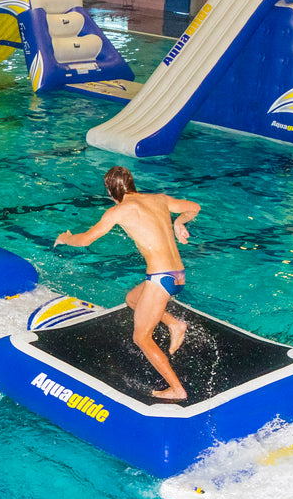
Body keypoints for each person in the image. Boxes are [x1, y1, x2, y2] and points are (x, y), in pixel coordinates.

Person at [55, 166, 201, 401]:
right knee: (132, 299)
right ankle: (175, 325)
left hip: (160, 279)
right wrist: (179, 223)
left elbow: (86, 240)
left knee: (141, 337)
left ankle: (177, 389)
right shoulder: (159, 199)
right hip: (178, 275)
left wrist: (65, 238)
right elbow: (194, 208)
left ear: (111, 190)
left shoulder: (119, 211)